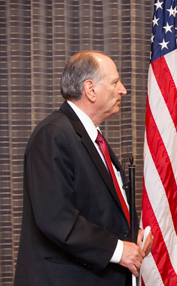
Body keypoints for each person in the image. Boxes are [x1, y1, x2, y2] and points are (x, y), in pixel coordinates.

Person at [14, 51, 153, 286]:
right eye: (115, 82)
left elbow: (98, 207)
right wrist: (119, 250)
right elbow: (57, 220)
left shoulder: (91, 135)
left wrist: (131, 235)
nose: (123, 90)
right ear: (90, 89)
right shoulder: (53, 135)